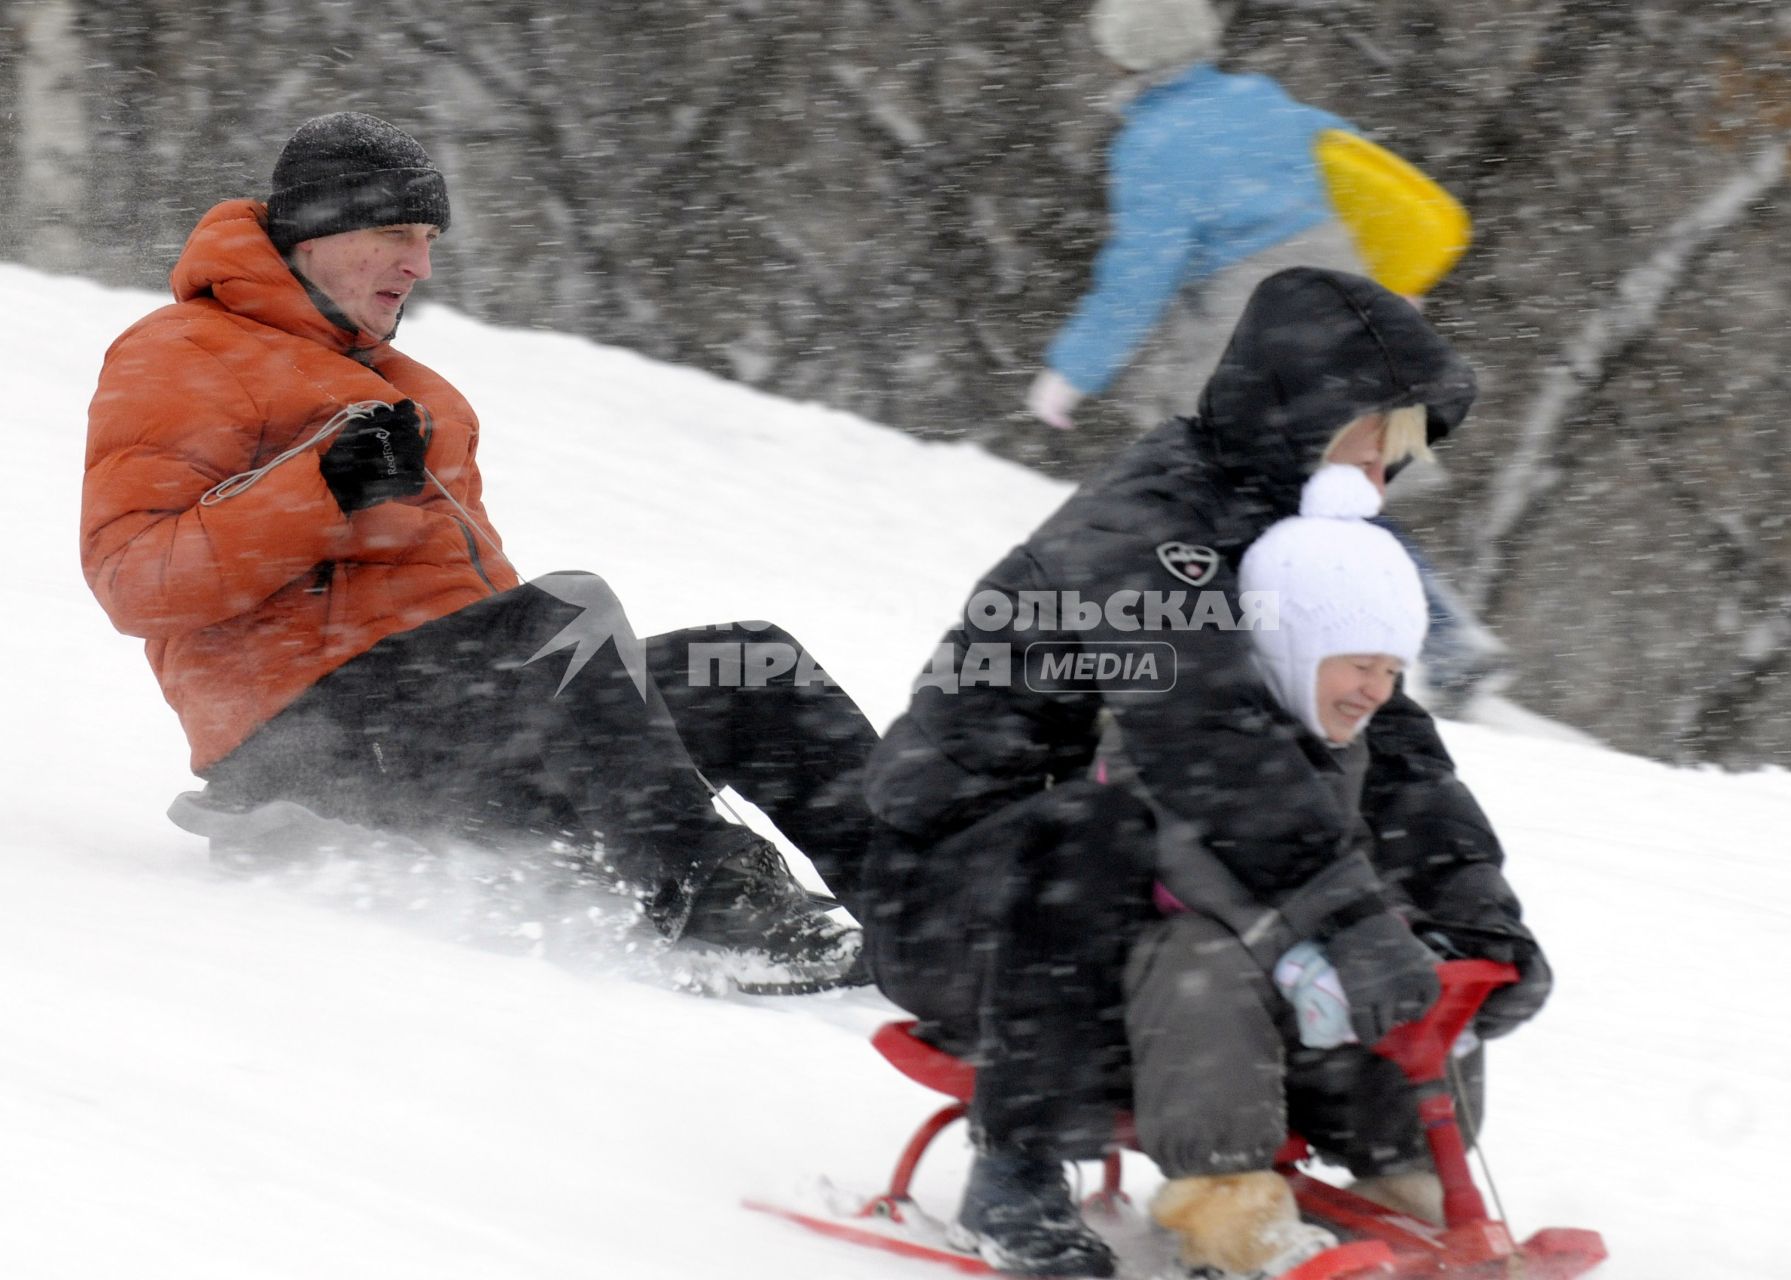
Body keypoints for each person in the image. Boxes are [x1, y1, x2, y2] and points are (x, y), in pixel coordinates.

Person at [80, 112, 879, 988]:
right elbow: (132, 580)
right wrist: (320, 493)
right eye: (394, 233)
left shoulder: (413, 390)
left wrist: (592, 721)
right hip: (306, 743)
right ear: (314, 230)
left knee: (749, 665)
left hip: (448, 722)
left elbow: (478, 615)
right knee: (564, 610)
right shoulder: (184, 351)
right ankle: (712, 910)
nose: (418, 265)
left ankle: (939, 908)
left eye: (427, 239)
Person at [857, 267, 1550, 1277]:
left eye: (1395, 455)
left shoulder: (1296, 540)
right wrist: (1346, 919)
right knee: (1103, 828)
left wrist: (1476, 910)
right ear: (1300, 415)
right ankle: (1014, 1171)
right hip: (963, 897)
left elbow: (1391, 745)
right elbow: (1208, 737)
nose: (1379, 474)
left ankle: (1379, 1159)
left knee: (1318, 835)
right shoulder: (1141, 529)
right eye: (1370, 439)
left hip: (1142, 872)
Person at [1128, 463, 1552, 1277]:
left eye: (1393, 669)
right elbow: (1186, 866)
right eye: (1358, 661)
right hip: (1157, 1018)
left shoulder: (1364, 735)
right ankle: (1225, 1210)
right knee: (1199, 959)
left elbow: (1435, 830)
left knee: (1432, 959)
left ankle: (1402, 1176)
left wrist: (1484, 931)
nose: (1375, 689)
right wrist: (1301, 948)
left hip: (1302, 1016)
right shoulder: (1193, 723)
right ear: (1295, 643)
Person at [1026, 0, 1511, 711]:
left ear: (1123, 57)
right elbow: (1361, 174)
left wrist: (1073, 371)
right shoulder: (1262, 101)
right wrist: (1394, 285)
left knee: (1249, 501)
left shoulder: (1152, 146)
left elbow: (1139, 274)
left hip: (1263, 340)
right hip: (1346, 309)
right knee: (1336, 497)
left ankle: (1294, 658)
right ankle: (1437, 641)